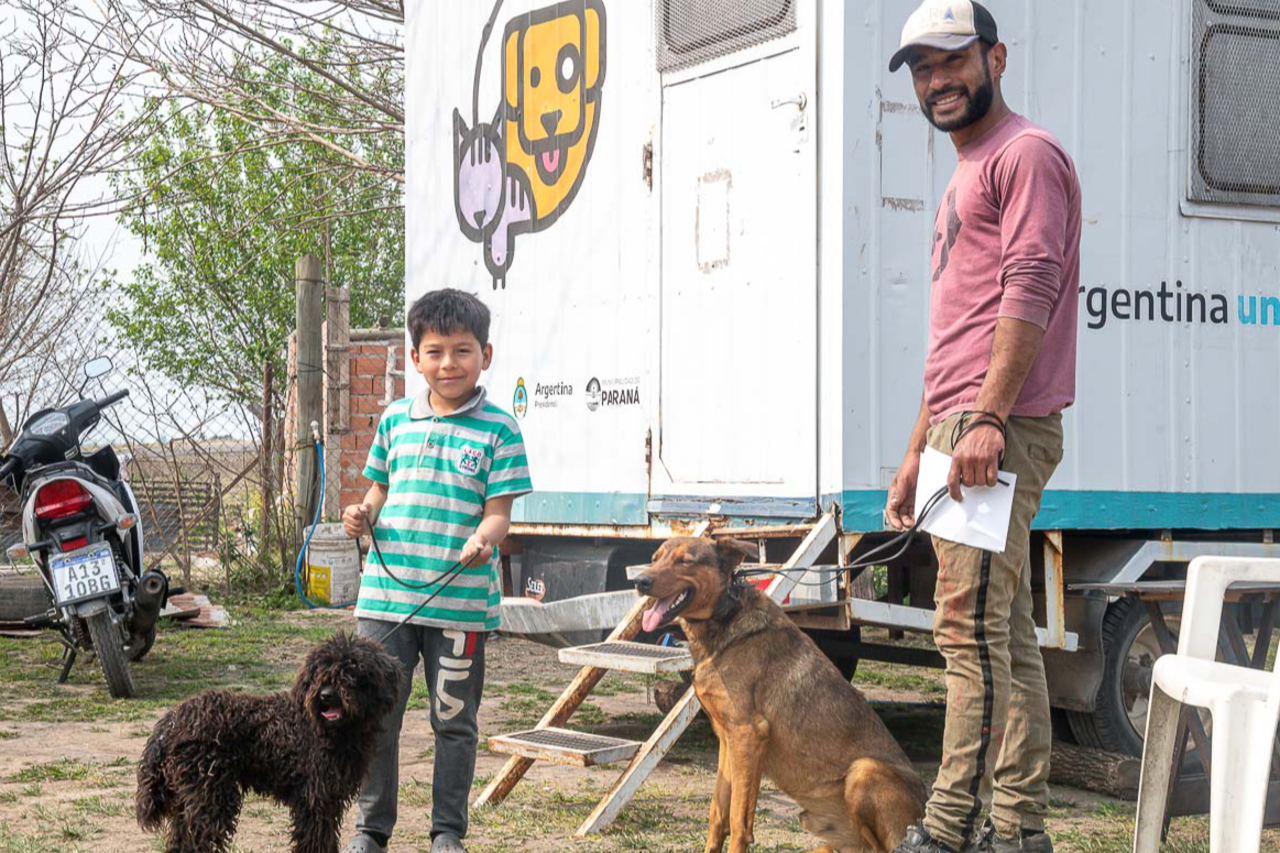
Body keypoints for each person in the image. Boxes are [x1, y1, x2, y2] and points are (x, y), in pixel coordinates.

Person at [883, 2, 1082, 852]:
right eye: (922, 70)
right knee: (997, 628)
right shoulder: (967, 171)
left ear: (996, 57)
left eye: (952, 62)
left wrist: (990, 417)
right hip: (959, 424)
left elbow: (1030, 285)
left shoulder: (1024, 154)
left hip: (993, 424)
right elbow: (955, 333)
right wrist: (913, 450)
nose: (937, 81)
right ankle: (1018, 826)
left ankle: (952, 824)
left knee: (965, 629)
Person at [340, 289, 532, 853]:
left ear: (486, 355)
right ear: (417, 357)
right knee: (374, 720)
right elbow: (379, 487)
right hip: (384, 603)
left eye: (463, 351)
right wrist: (362, 513)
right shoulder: (395, 418)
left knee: (453, 722)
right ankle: (370, 831)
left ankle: (448, 832)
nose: (450, 363)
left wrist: (481, 538)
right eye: (436, 352)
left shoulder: (500, 430)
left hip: (460, 604)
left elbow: (500, 513)